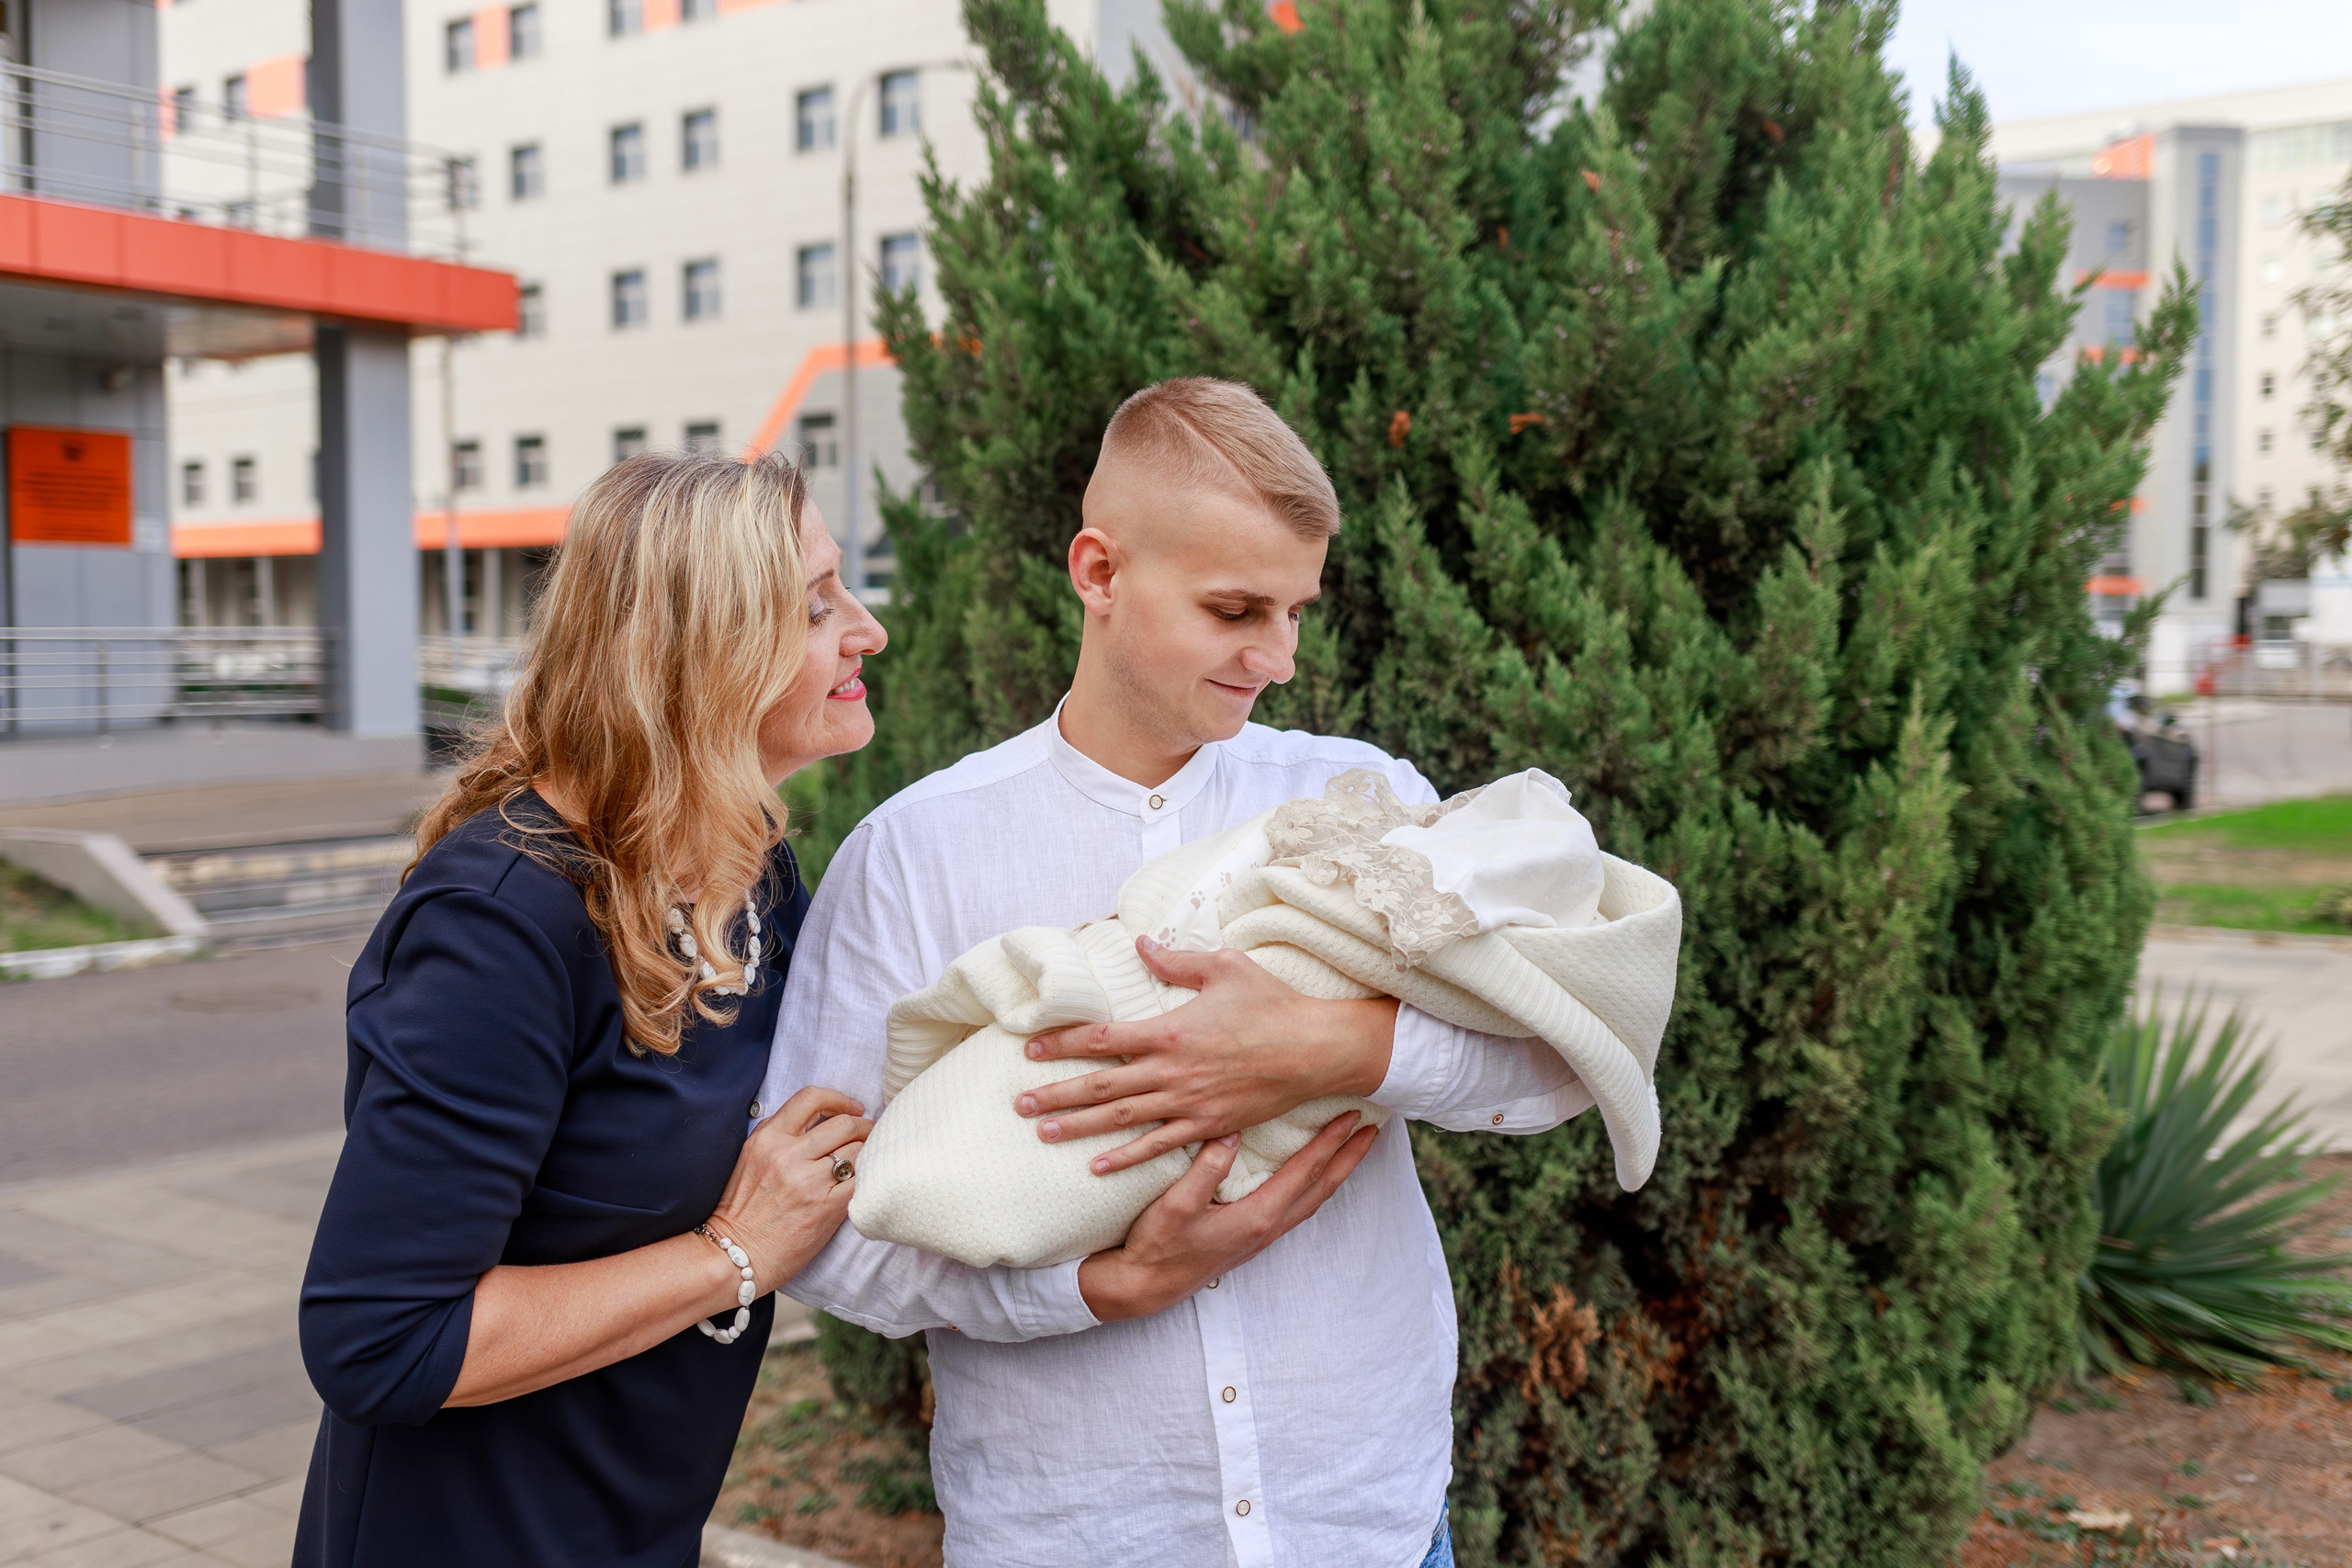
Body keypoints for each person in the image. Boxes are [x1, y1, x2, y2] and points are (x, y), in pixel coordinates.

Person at [760, 378, 1591, 1567]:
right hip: (1072, 1538)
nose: (1279, 657)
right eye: (1235, 608)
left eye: (1295, 610)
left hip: (1369, 1523)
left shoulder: (1360, 798)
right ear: (1099, 572)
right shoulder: (912, 854)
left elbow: (1563, 1059)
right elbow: (827, 1238)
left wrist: (1336, 1048)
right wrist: (1102, 1283)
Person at [295, 452, 887, 1567]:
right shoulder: (501, 925)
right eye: (816, 607)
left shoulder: (747, 870)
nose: (868, 631)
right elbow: (380, 1340)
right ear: (701, 652)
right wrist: (732, 1253)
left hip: (639, 1521)